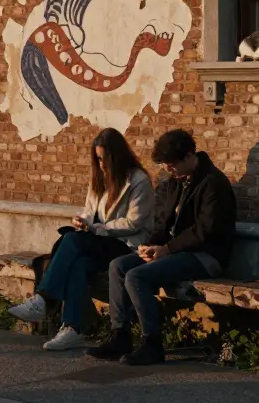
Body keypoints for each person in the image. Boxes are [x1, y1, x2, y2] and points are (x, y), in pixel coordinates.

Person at [86, 129, 236, 366]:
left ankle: (152, 344)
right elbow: (161, 222)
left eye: (172, 164)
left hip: (206, 256)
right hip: (173, 252)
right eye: (165, 164)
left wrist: (167, 249)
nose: (168, 169)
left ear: (189, 156)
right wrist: (151, 246)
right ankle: (120, 335)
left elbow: (205, 231)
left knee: (136, 277)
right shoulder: (174, 183)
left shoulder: (214, 184)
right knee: (118, 266)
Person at [8, 128, 154, 351]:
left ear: (117, 156)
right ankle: (72, 328)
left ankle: (44, 299)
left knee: (71, 241)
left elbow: (134, 223)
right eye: (98, 158)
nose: (102, 164)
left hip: (127, 246)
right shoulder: (99, 178)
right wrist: (82, 220)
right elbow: (89, 211)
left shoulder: (138, 181)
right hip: (101, 242)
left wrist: (96, 229)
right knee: (78, 263)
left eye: (105, 158)